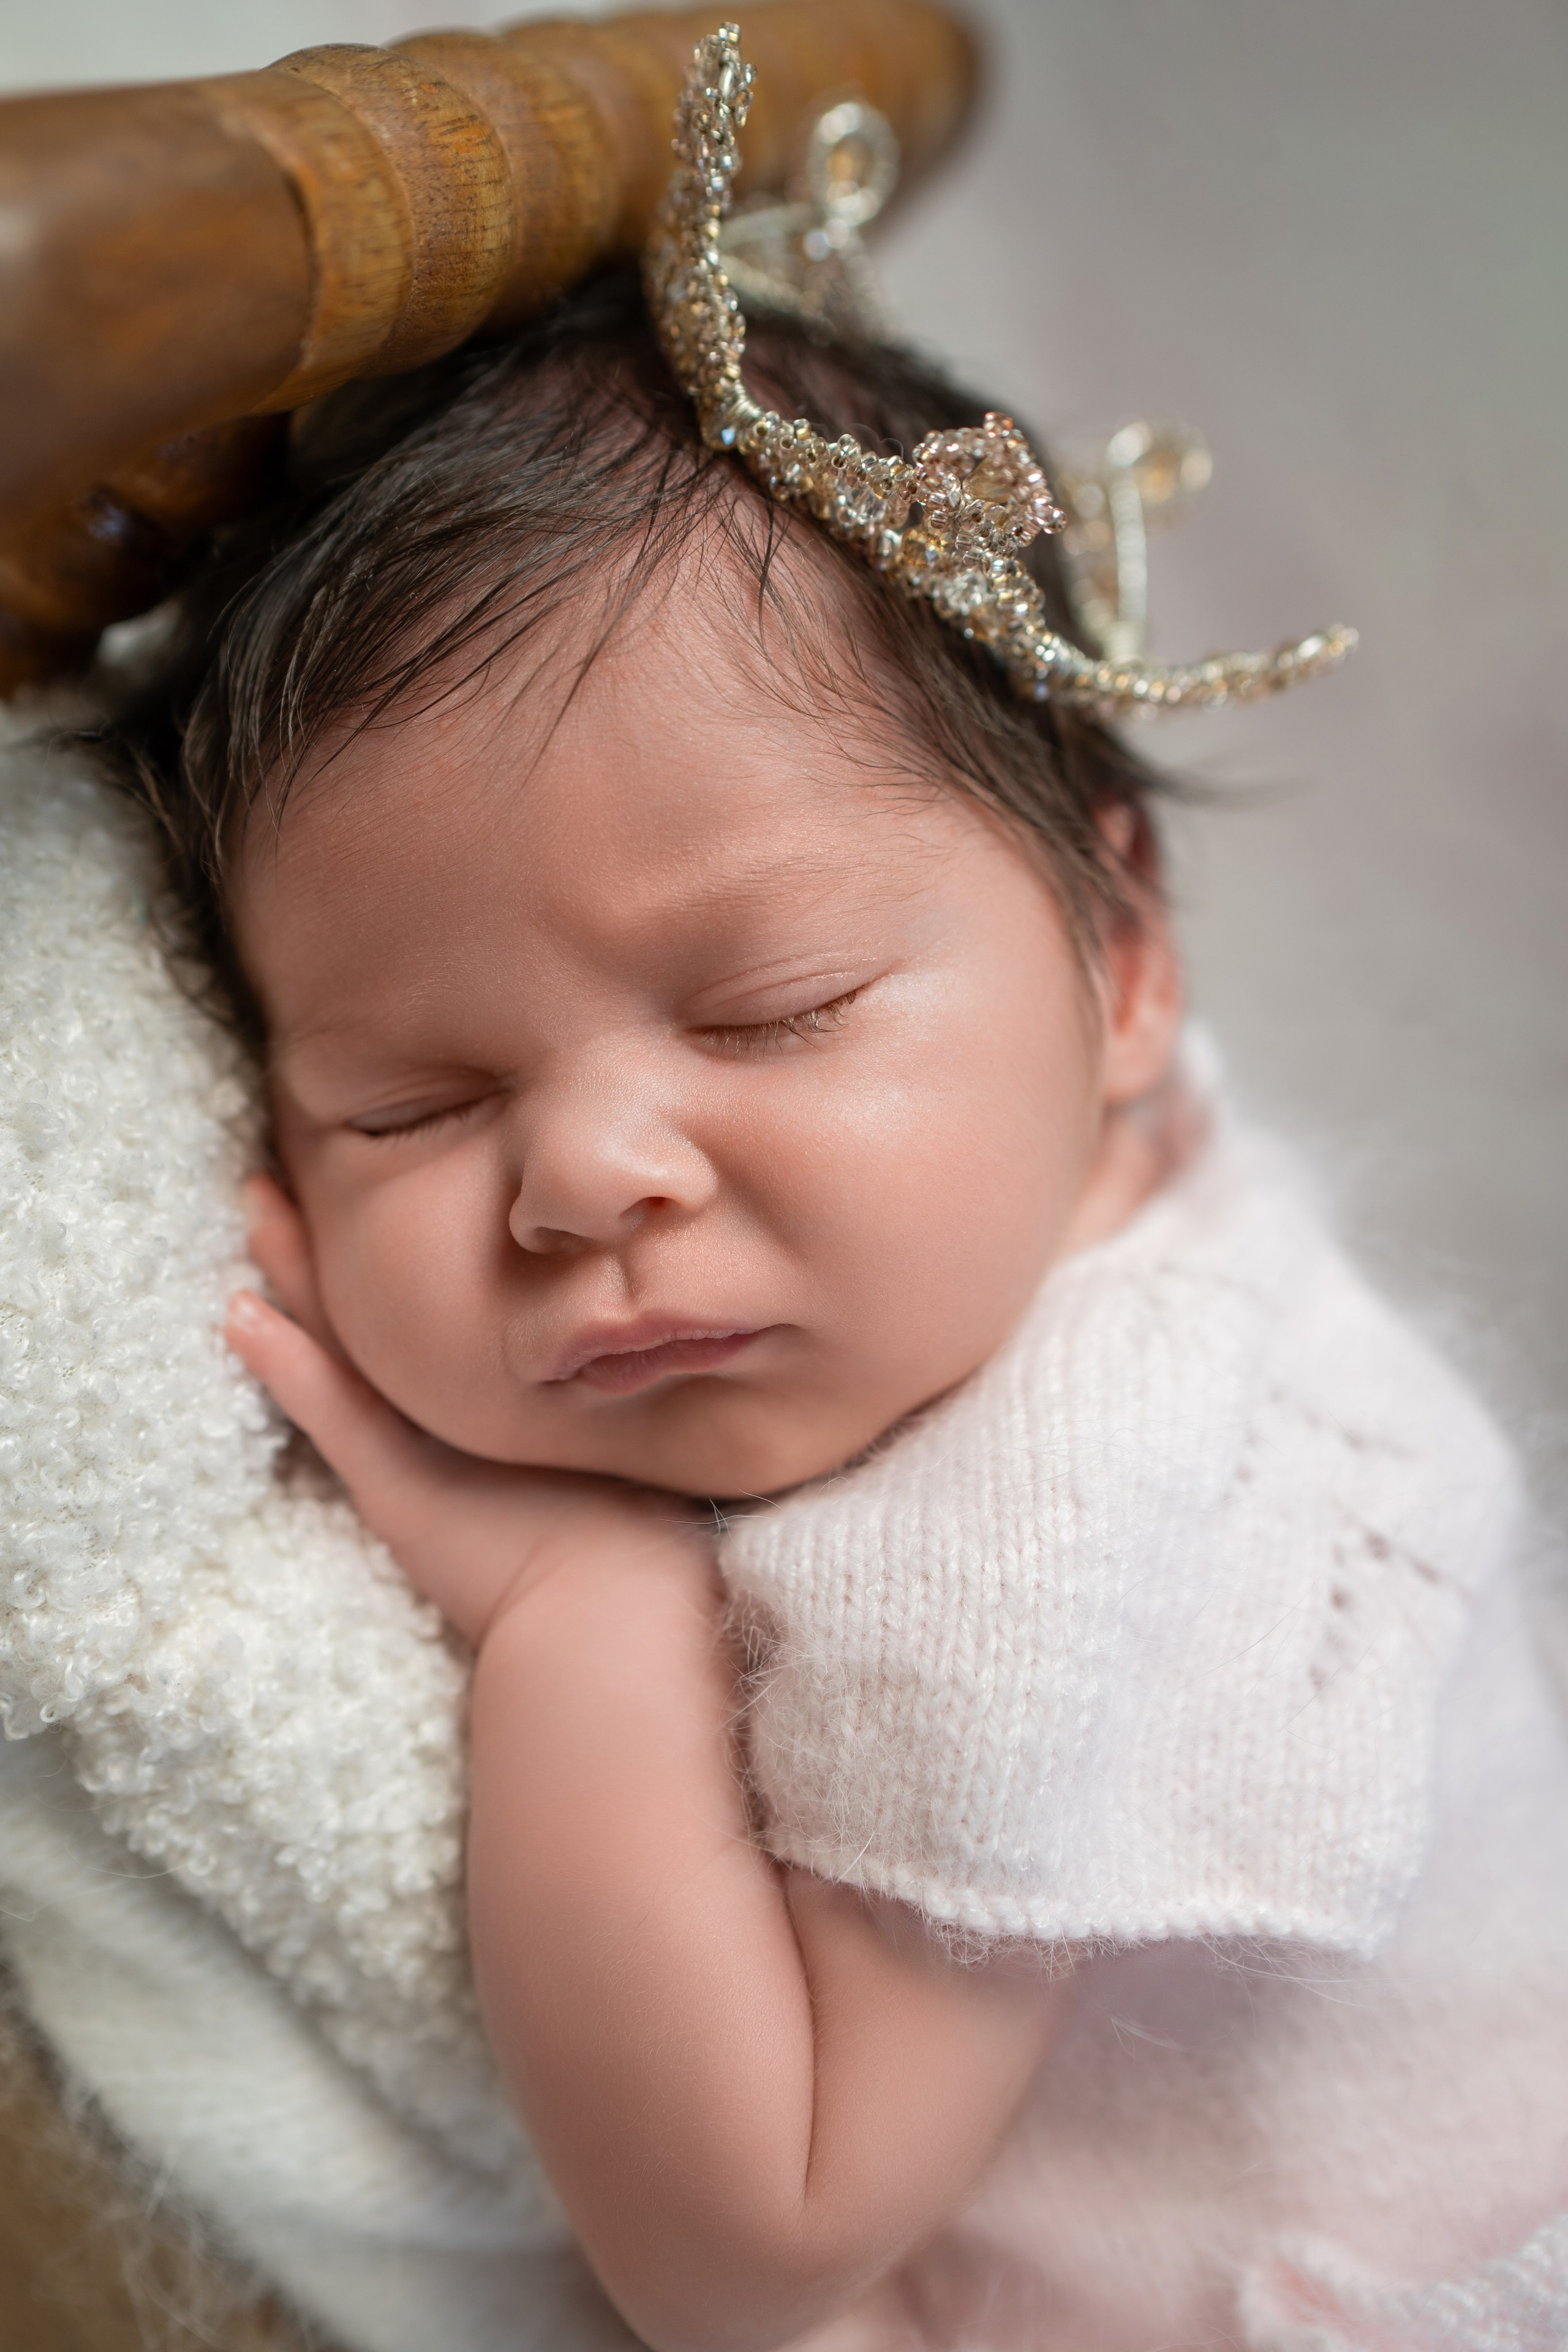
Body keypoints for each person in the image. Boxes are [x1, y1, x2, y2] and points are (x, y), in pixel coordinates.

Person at [61, 32, 1568, 2352]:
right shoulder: (1038, 1187)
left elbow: (747, 2241)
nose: (586, 1177)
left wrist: (575, 1617)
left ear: (1125, 960)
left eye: (769, 1011)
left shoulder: (1060, 1495)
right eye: (412, 1106)